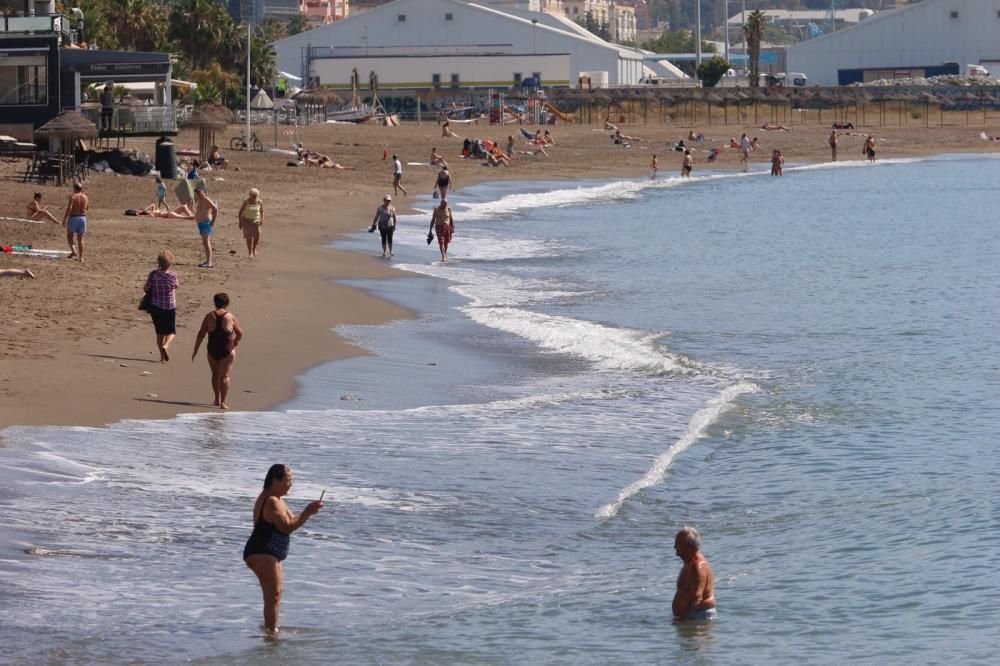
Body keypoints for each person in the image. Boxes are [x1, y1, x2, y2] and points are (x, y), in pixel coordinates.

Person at [243, 464, 324, 634]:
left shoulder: (277, 499)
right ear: (275, 480)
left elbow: (292, 521)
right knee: (273, 596)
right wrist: (307, 512)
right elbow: (286, 527)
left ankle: (271, 631)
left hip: (268, 553)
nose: (291, 484)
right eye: (288, 481)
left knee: (275, 595)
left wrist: (308, 513)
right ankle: (272, 635)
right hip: (262, 552)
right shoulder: (271, 501)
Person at [191, 292, 243, 409]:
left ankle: (216, 399)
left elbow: (201, 334)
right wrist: (235, 342)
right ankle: (224, 403)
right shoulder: (230, 317)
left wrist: (196, 349)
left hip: (212, 349)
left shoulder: (209, 316)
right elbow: (240, 333)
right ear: (227, 303)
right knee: (225, 376)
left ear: (215, 303)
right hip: (227, 350)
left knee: (215, 374)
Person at [672, 526, 717, 622]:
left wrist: (682, 620)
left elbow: (697, 598)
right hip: (695, 615)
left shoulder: (697, 567)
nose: (674, 547)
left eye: (677, 543)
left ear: (688, 546)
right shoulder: (689, 563)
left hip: (698, 616)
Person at [143, 250, 179, 362]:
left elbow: (146, 288)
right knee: (171, 331)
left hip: (156, 306)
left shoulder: (153, 274)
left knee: (160, 332)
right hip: (169, 306)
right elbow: (176, 286)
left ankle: (162, 356)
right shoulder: (173, 275)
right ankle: (166, 345)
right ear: (170, 263)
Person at [62, 182, 89, 261]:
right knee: (80, 239)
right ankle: (81, 257)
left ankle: (73, 250)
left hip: (74, 217)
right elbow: (87, 207)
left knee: (69, 236)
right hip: (83, 218)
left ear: (75, 188)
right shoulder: (85, 197)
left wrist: (65, 218)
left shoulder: (73, 196)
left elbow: (69, 208)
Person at [193, 186, 218, 268]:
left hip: (206, 223)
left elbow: (215, 209)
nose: (198, 194)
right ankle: (208, 261)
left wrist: (213, 222)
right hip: (201, 224)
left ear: (203, 192)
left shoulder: (206, 199)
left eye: (199, 192)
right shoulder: (199, 200)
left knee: (207, 242)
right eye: (197, 192)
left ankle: (209, 263)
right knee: (205, 242)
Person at [238, 188, 264, 258]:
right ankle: (250, 252)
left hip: (256, 221)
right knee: (249, 237)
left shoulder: (259, 202)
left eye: (255, 196)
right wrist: (240, 222)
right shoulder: (246, 202)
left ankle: (254, 249)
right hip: (246, 221)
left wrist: (262, 219)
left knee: (257, 236)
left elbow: (262, 211)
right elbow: (240, 212)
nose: (254, 198)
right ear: (250, 196)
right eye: (253, 196)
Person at [428, 198, 454, 263]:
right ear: (440, 203)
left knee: (446, 242)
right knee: (441, 242)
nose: (444, 206)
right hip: (439, 227)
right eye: (443, 204)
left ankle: (445, 254)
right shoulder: (436, 209)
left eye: (445, 204)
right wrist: (430, 230)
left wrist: (452, 227)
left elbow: (451, 218)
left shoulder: (449, 209)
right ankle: (443, 256)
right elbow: (433, 220)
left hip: (447, 227)